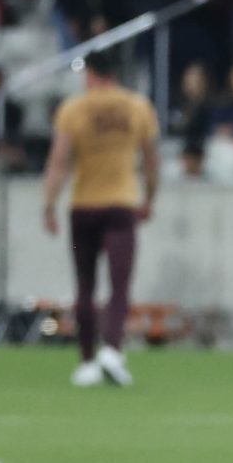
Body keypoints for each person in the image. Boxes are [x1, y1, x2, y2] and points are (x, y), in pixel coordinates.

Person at [41, 51, 160, 389]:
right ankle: (112, 348)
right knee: (119, 284)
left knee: (85, 284)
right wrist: (150, 198)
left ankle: (86, 361)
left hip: (83, 206)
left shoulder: (74, 108)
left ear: (90, 73)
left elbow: (59, 160)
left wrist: (49, 205)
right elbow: (151, 159)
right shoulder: (138, 107)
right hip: (121, 204)